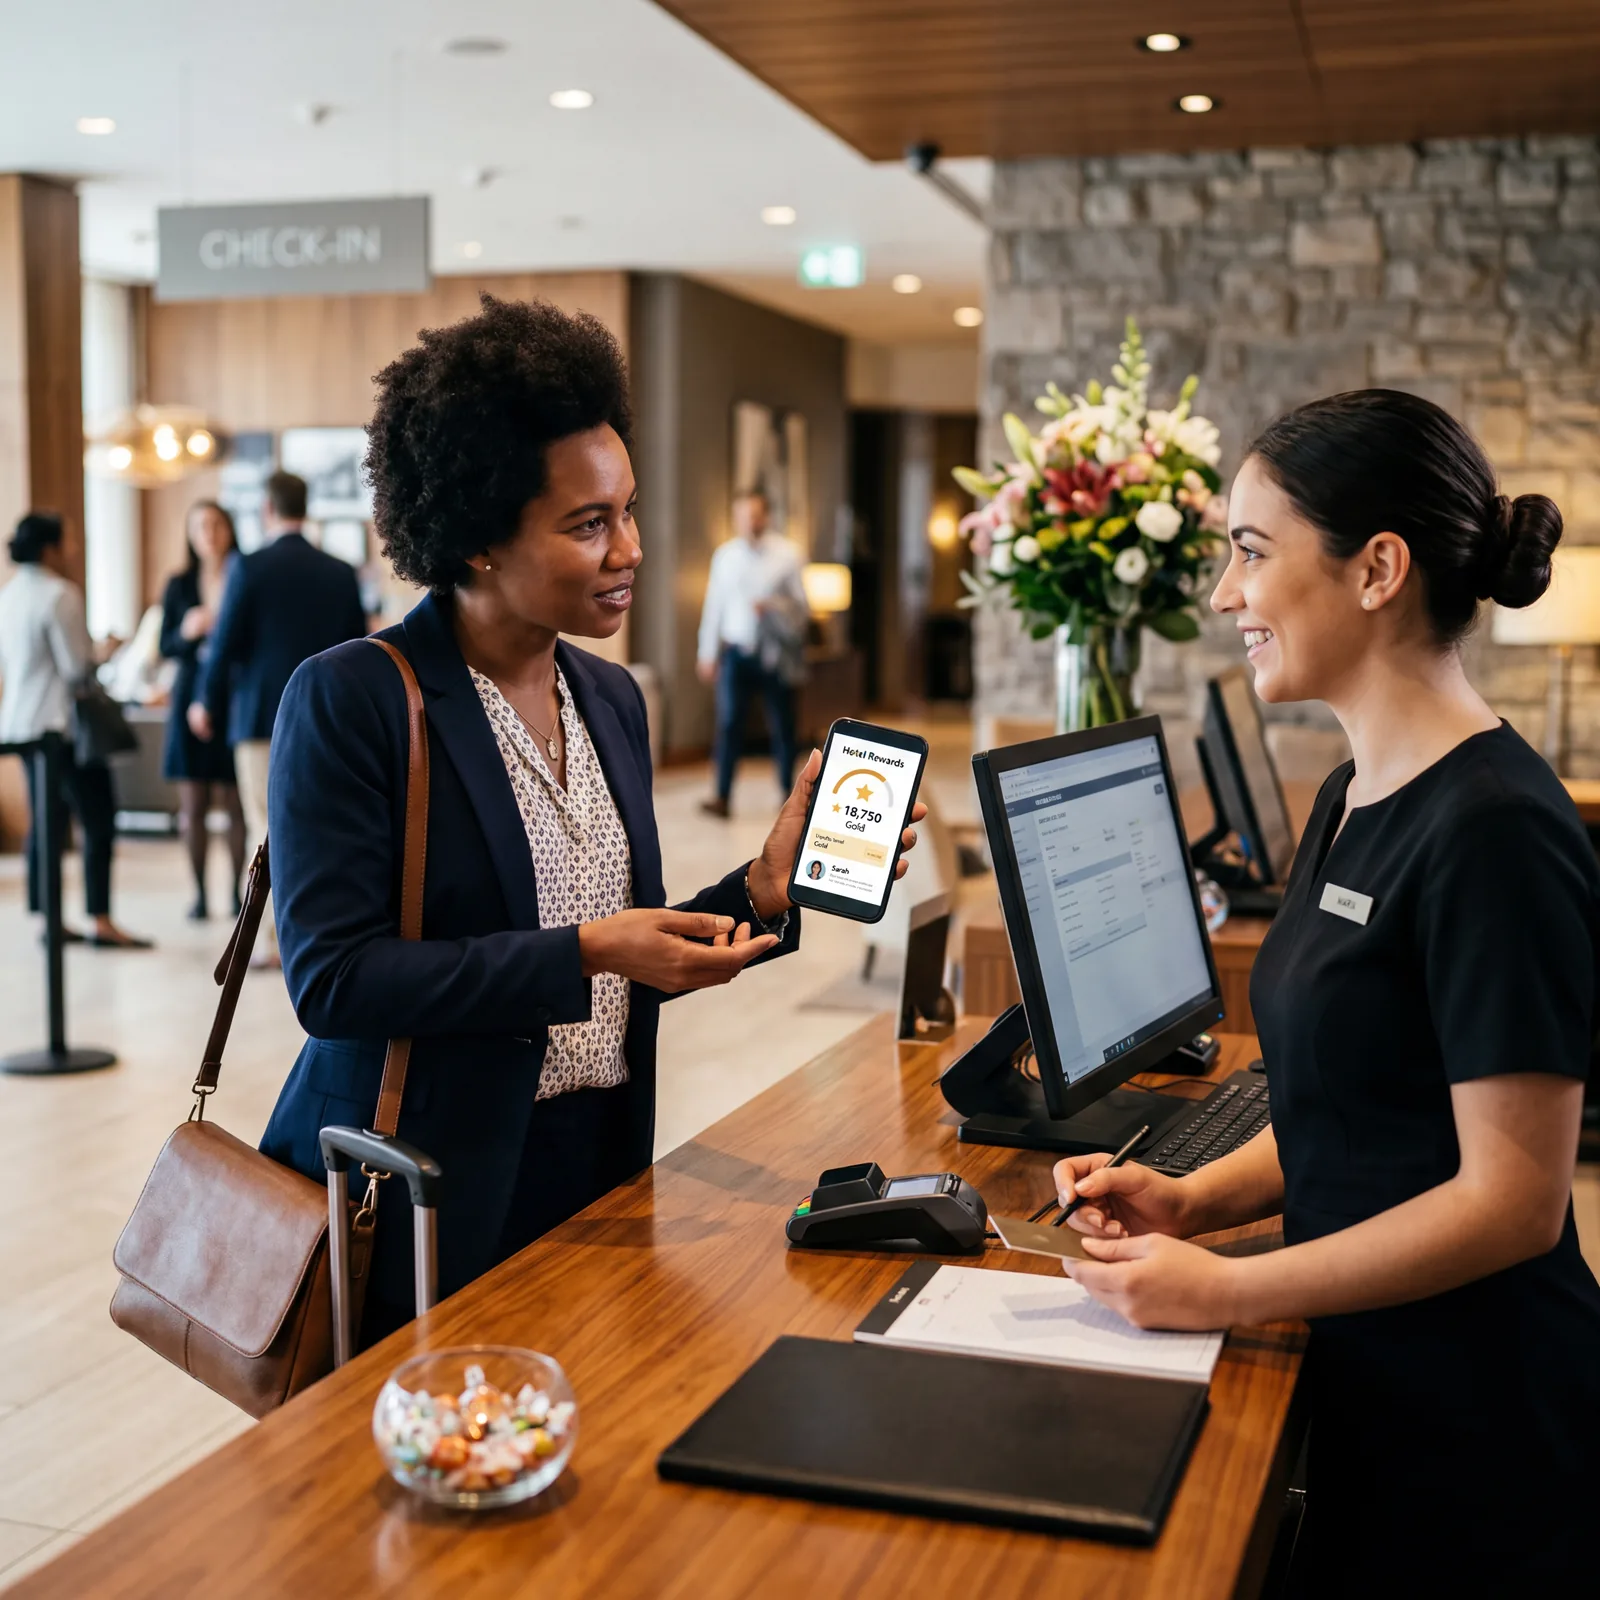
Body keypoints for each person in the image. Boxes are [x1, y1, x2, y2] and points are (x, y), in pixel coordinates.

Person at [257, 296, 924, 1345]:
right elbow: (334, 980)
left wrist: (762, 886)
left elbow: (618, 936)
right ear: (477, 536)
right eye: (587, 524)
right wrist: (585, 953)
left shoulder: (611, 698)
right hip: (426, 1188)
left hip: (596, 1160)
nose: (631, 549)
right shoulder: (356, 697)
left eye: (627, 510)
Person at [1049, 390, 1600, 1590]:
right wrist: (1196, 1198)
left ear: (1376, 569)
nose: (1224, 595)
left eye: (1250, 553)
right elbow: (1354, 1106)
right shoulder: (1348, 797)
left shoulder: (1497, 830)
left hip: (1483, 1433)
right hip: (1363, 1376)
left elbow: (1515, 1202)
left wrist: (1232, 1287)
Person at [189, 470, 367, 965]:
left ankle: (273, 943)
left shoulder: (249, 567)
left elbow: (225, 643)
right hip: (329, 722)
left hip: (260, 717)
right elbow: (360, 646)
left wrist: (206, 700)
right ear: (304, 507)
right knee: (325, 824)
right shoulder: (338, 570)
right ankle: (328, 933)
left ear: (267, 510)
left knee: (264, 827)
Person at [0, 512, 149, 947]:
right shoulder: (60, 594)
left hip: (20, 723)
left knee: (45, 822)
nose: (74, 549)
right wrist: (107, 649)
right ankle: (100, 919)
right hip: (60, 727)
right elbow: (77, 669)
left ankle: (48, 918)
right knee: (98, 818)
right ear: (49, 548)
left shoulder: (9, 594)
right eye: (67, 541)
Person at [695, 487, 808, 818]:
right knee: (729, 723)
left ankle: (790, 797)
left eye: (756, 515)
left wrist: (772, 607)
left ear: (767, 516)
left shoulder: (789, 554)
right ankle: (722, 796)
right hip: (735, 652)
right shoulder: (725, 556)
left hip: (774, 655)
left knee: (783, 727)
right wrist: (707, 651)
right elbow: (714, 606)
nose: (749, 521)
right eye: (743, 515)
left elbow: (803, 609)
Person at [159, 500, 245, 920]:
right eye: (200, 527)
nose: (209, 533)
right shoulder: (178, 584)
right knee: (192, 805)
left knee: (236, 804)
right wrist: (187, 630)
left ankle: (234, 894)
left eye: (216, 524)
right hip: (188, 699)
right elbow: (165, 647)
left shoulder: (246, 576)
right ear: (191, 536)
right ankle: (198, 894)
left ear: (229, 528)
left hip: (235, 700)